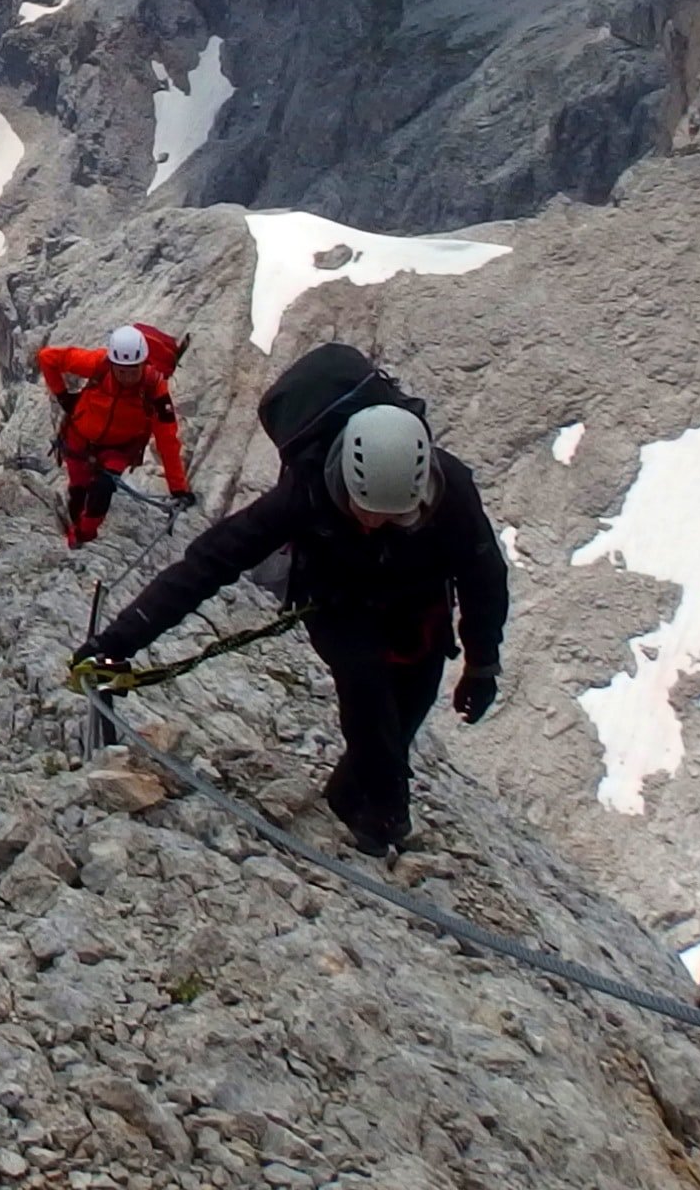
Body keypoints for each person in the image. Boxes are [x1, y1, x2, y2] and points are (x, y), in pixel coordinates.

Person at [74, 344, 504, 855]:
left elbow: (484, 577)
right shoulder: (306, 490)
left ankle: (348, 805)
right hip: (337, 603)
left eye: (394, 519)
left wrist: (482, 665)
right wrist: (118, 641)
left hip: (420, 612)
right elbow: (210, 563)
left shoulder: (452, 493)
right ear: (343, 477)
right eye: (363, 511)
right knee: (367, 698)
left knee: (402, 719)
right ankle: (383, 826)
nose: (374, 525)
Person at [34, 322, 193, 547]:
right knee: (78, 493)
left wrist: (178, 488)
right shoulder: (99, 364)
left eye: (133, 370)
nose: (128, 377)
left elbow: (167, 440)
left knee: (102, 488)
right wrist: (64, 397)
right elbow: (47, 357)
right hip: (79, 439)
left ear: (143, 363)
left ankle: (83, 536)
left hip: (118, 449)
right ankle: (76, 530)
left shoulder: (154, 387)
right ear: (112, 363)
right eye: (122, 371)